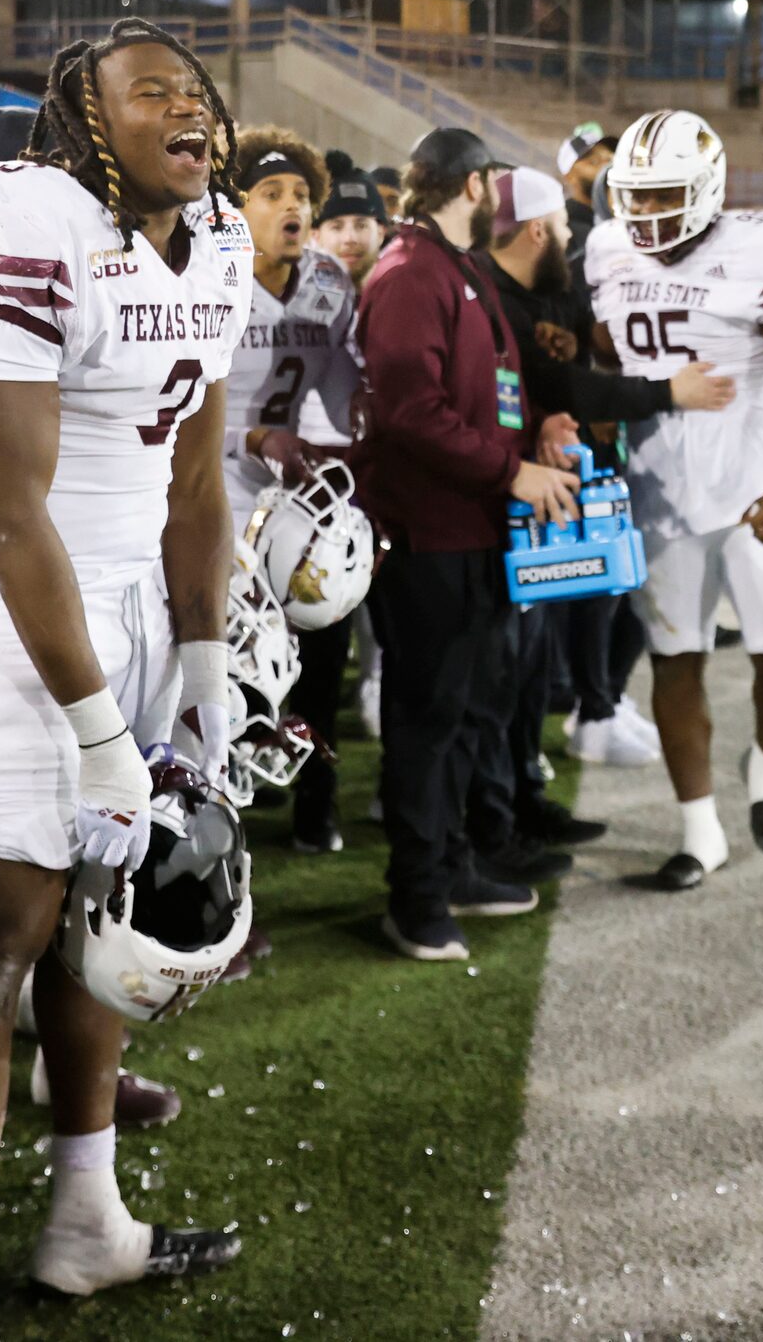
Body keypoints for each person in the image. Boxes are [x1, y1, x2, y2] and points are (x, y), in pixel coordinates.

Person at [0, 20, 248, 1338]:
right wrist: (99, 724)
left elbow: (200, 476)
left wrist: (205, 657)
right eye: (150, 88)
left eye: (197, 89)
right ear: (79, 117)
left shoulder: (216, 236)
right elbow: (6, 511)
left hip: (135, 598)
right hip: (6, 602)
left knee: (109, 916)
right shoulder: (20, 212)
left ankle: (85, 1218)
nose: (188, 107)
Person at [587, 111, 763, 892]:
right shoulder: (604, 249)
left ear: (704, 189)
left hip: (756, 486)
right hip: (660, 493)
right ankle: (700, 832)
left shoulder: (762, 246)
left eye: (665, 196)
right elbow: (605, 361)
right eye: (635, 197)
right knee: (674, 659)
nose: (647, 214)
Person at [351, 131, 584, 959]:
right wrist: (509, 471)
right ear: (477, 185)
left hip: (471, 525)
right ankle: (414, 898)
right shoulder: (413, 273)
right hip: (431, 535)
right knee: (426, 719)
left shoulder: (454, 267)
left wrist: (536, 431)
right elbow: (409, 414)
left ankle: (449, 866)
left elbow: (488, 392)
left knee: (460, 715)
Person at [486, 167, 733, 825]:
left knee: (542, 647)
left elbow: (566, 372)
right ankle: (506, 803)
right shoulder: (501, 296)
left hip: (545, 477)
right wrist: (661, 393)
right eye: (564, 226)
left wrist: (562, 389)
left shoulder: (541, 288)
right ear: (538, 228)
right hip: (500, 497)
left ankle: (527, 791)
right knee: (515, 656)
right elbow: (560, 383)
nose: (575, 235)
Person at [226, 128, 362, 852]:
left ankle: (319, 794)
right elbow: (170, 408)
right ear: (232, 206)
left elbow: (341, 400)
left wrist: (371, 405)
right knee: (230, 665)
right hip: (210, 493)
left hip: (292, 496)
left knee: (323, 637)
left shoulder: (329, 282)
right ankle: (221, 812)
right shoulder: (202, 276)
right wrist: (249, 439)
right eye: (271, 194)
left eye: (303, 196)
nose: (292, 209)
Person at [312, 151, 389, 288]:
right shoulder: (296, 302)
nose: (350, 239)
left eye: (361, 225)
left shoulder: (399, 297)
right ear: (316, 236)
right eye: (337, 227)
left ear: (380, 233)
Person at [555, 119, 613, 261]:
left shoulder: (625, 220)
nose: (606, 168)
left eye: (610, 159)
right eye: (594, 162)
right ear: (569, 176)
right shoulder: (564, 228)